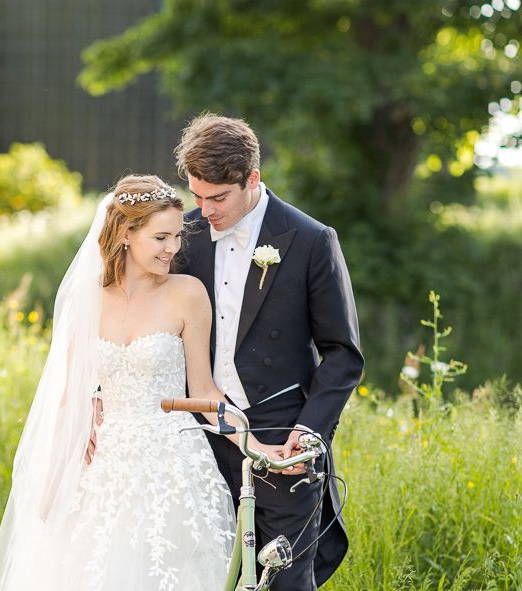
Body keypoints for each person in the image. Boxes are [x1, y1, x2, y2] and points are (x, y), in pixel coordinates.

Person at [0, 174, 282, 591]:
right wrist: (54, 482)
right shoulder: (87, 300)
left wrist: (258, 446)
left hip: (174, 466)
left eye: (177, 237)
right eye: (161, 238)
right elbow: (70, 398)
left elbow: (206, 393)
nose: (173, 248)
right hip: (104, 466)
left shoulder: (187, 294)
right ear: (126, 233)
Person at [175, 114, 365, 590]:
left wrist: (308, 433)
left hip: (282, 444)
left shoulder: (311, 240)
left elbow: (342, 355)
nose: (206, 210)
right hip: (197, 439)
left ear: (252, 179)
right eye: (197, 196)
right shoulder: (182, 235)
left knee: (283, 581)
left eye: (218, 198)